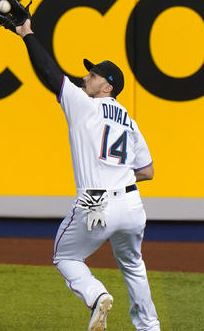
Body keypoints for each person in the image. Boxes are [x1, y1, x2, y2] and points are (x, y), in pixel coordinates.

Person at [15, 19, 160, 331]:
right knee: (134, 266)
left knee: (65, 257)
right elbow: (147, 171)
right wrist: (119, 174)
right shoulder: (130, 122)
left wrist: (26, 34)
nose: (85, 77)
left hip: (96, 205)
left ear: (107, 87)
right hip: (132, 205)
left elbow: (50, 74)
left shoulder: (84, 106)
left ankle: (97, 296)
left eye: (92, 75)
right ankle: (150, 328)